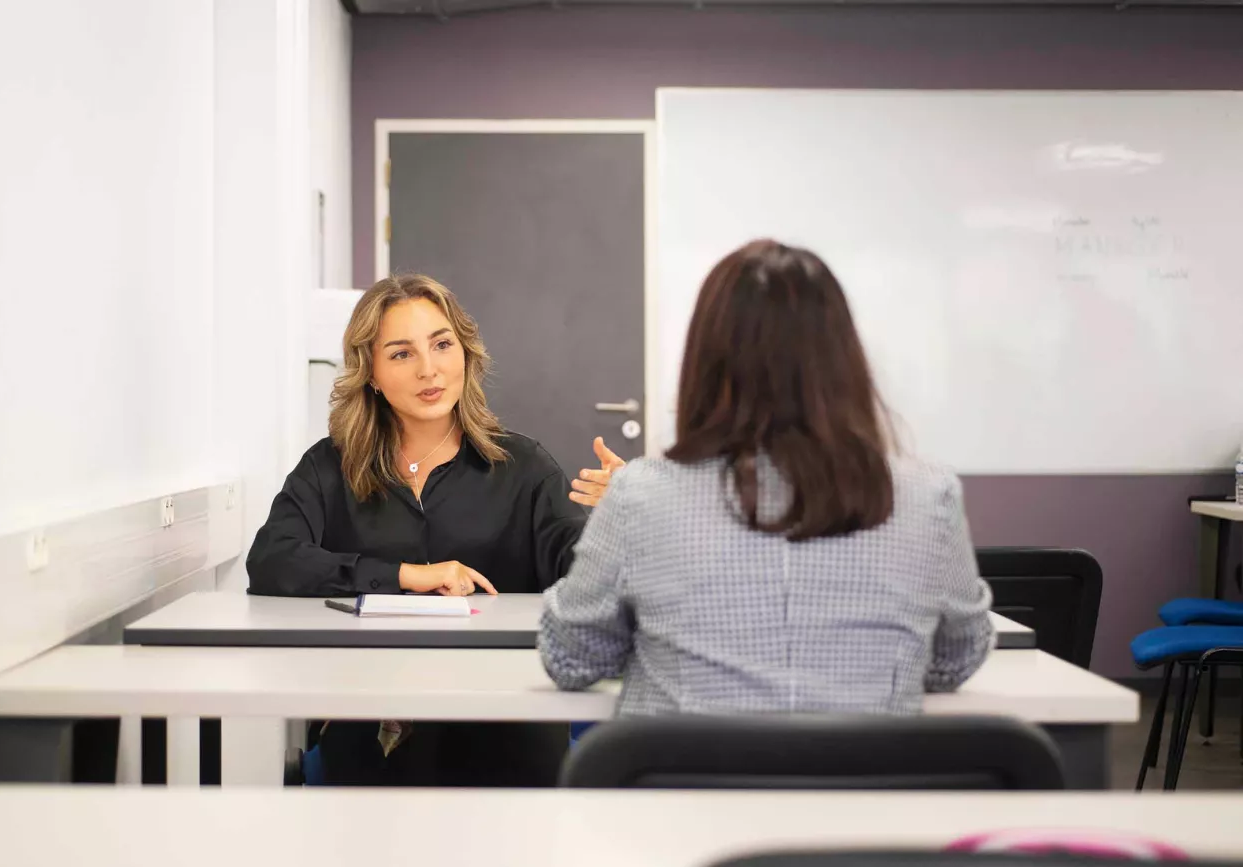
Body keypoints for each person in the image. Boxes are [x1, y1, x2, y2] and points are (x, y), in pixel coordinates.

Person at [539, 239, 993, 718]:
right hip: (864, 788)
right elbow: (954, 661)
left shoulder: (640, 495)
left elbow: (570, 659)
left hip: (684, 787)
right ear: (844, 357)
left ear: (706, 361)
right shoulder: (928, 495)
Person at [247, 273, 624, 784]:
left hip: (507, 723)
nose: (429, 369)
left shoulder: (525, 467)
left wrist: (623, 522)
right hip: (371, 720)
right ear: (372, 373)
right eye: (401, 353)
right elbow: (272, 559)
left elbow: (580, 571)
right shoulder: (330, 467)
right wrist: (405, 575)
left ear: (465, 353)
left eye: (442, 344)